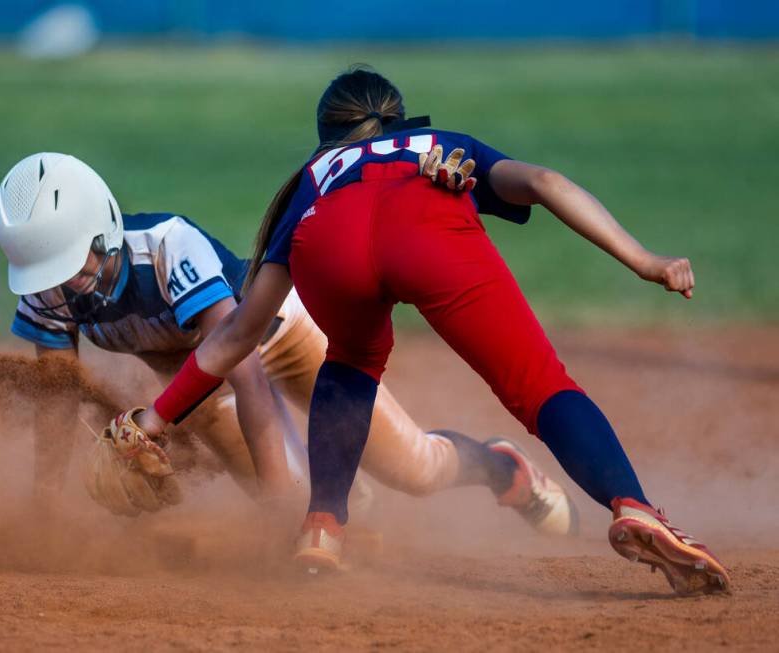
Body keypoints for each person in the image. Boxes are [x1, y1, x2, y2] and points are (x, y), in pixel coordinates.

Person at [132, 68, 730, 595]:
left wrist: (153, 419)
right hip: (429, 231)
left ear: (328, 134)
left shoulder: (312, 177)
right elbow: (546, 183)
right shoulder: (439, 144)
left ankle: (322, 528)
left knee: (351, 361)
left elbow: (240, 332)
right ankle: (633, 507)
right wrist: (645, 261)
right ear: (396, 117)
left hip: (327, 242)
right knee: (537, 383)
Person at [0, 152, 580, 535]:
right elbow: (54, 397)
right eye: (44, 273)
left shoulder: (167, 246)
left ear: (105, 227)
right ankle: (342, 501)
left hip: (284, 336)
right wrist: (45, 505)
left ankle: (499, 467)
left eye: (71, 264)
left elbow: (241, 365)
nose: (61, 285)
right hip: (200, 381)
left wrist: (287, 514)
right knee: (294, 504)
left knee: (414, 470)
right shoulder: (48, 291)